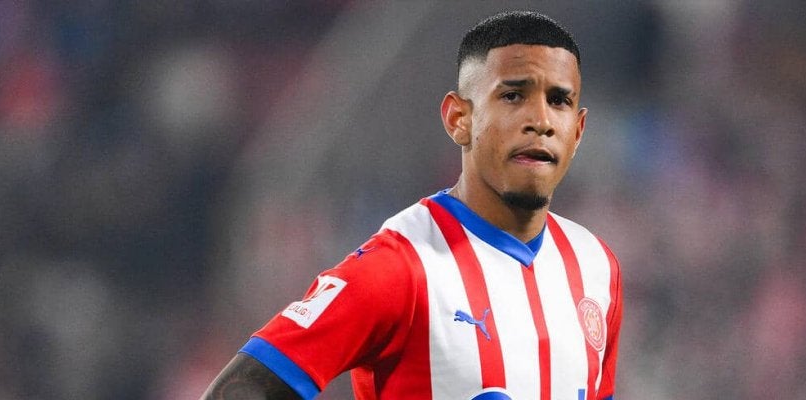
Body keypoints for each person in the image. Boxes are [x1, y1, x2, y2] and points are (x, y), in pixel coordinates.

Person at [203, 10, 622, 400]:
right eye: (513, 96)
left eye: (559, 101)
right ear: (458, 119)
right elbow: (242, 389)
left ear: (578, 129)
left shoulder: (597, 267)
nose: (541, 121)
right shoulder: (400, 267)